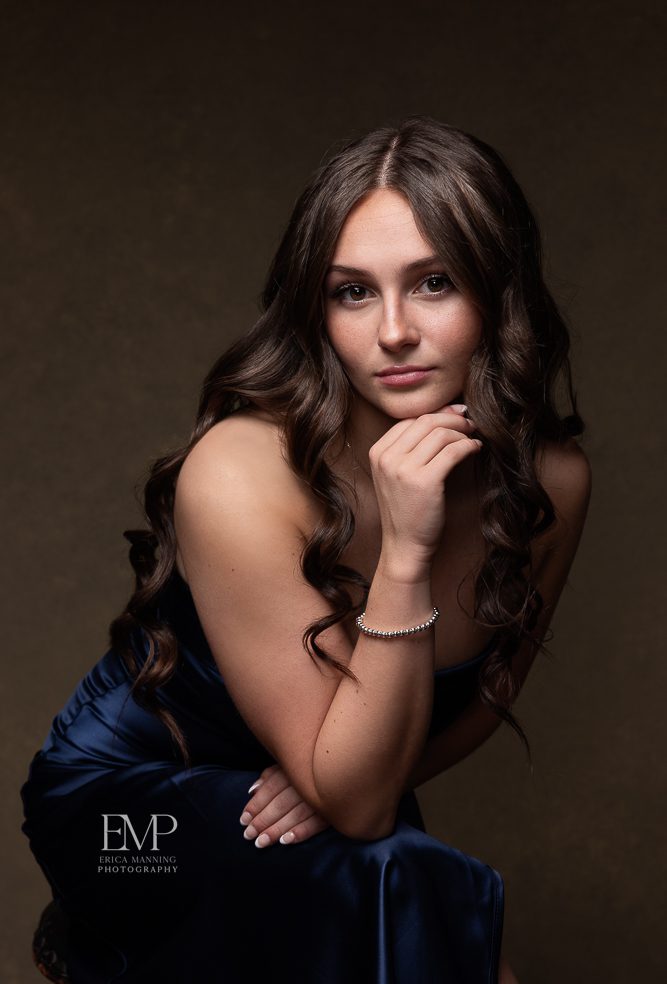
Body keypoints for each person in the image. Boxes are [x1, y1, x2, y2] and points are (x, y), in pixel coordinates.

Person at [20, 115, 591, 984]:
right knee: (403, 888)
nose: (392, 330)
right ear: (316, 312)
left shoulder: (551, 483)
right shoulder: (242, 472)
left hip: (336, 801)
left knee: (396, 889)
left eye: (434, 282)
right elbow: (361, 810)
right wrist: (405, 553)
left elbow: (484, 695)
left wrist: (338, 784)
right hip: (132, 812)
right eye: (352, 292)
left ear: (497, 292)